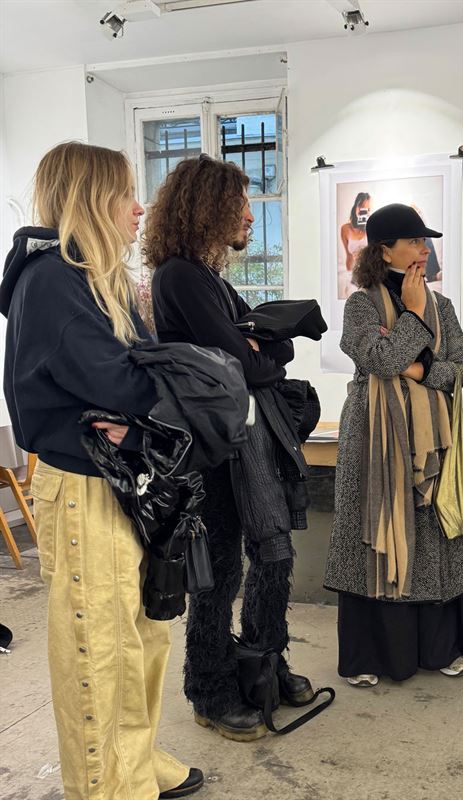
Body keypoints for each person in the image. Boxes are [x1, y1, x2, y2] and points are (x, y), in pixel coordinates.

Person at [0, 141, 203, 799]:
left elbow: (144, 376)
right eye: (126, 194)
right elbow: (124, 383)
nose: (140, 209)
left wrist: (154, 399)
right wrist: (175, 389)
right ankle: (104, 785)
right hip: (85, 484)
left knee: (143, 634)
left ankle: (134, 761)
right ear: (91, 198)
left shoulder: (96, 278)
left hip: (122, 476)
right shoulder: (53, 281)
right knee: (100, 642)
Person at [144, 155, 314, 742]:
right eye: (240, 205)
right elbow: (249, 363)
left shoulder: (208, 277)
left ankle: (264, 662)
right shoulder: (179, 277)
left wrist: (263, 350)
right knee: (218, 571)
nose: (248, 215)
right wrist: (260, 351)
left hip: (242, 440)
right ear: (208, 208)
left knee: (272, 556)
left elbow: (271, 347)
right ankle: (210, 689)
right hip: (210, 448)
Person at [324, 203, 463, 686]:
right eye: (413, 241)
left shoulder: (442, 306)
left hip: (434, 440)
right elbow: (380, 359)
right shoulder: (361, 305)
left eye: (425, 241)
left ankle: (440, 648)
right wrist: (411, 315)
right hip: (373, 440)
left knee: (434, 535)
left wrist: (422, 369)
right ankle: (371, 656)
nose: (423, 249)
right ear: (384, 250)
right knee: (374, 536)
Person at [341, 191, 371, 272]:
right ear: (356, 207)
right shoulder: (345, 229)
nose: (364, 211)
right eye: (361, 207)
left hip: (369, 271)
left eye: (368, 209)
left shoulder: (371, 228)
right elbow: (348, 256)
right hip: (353, 271)